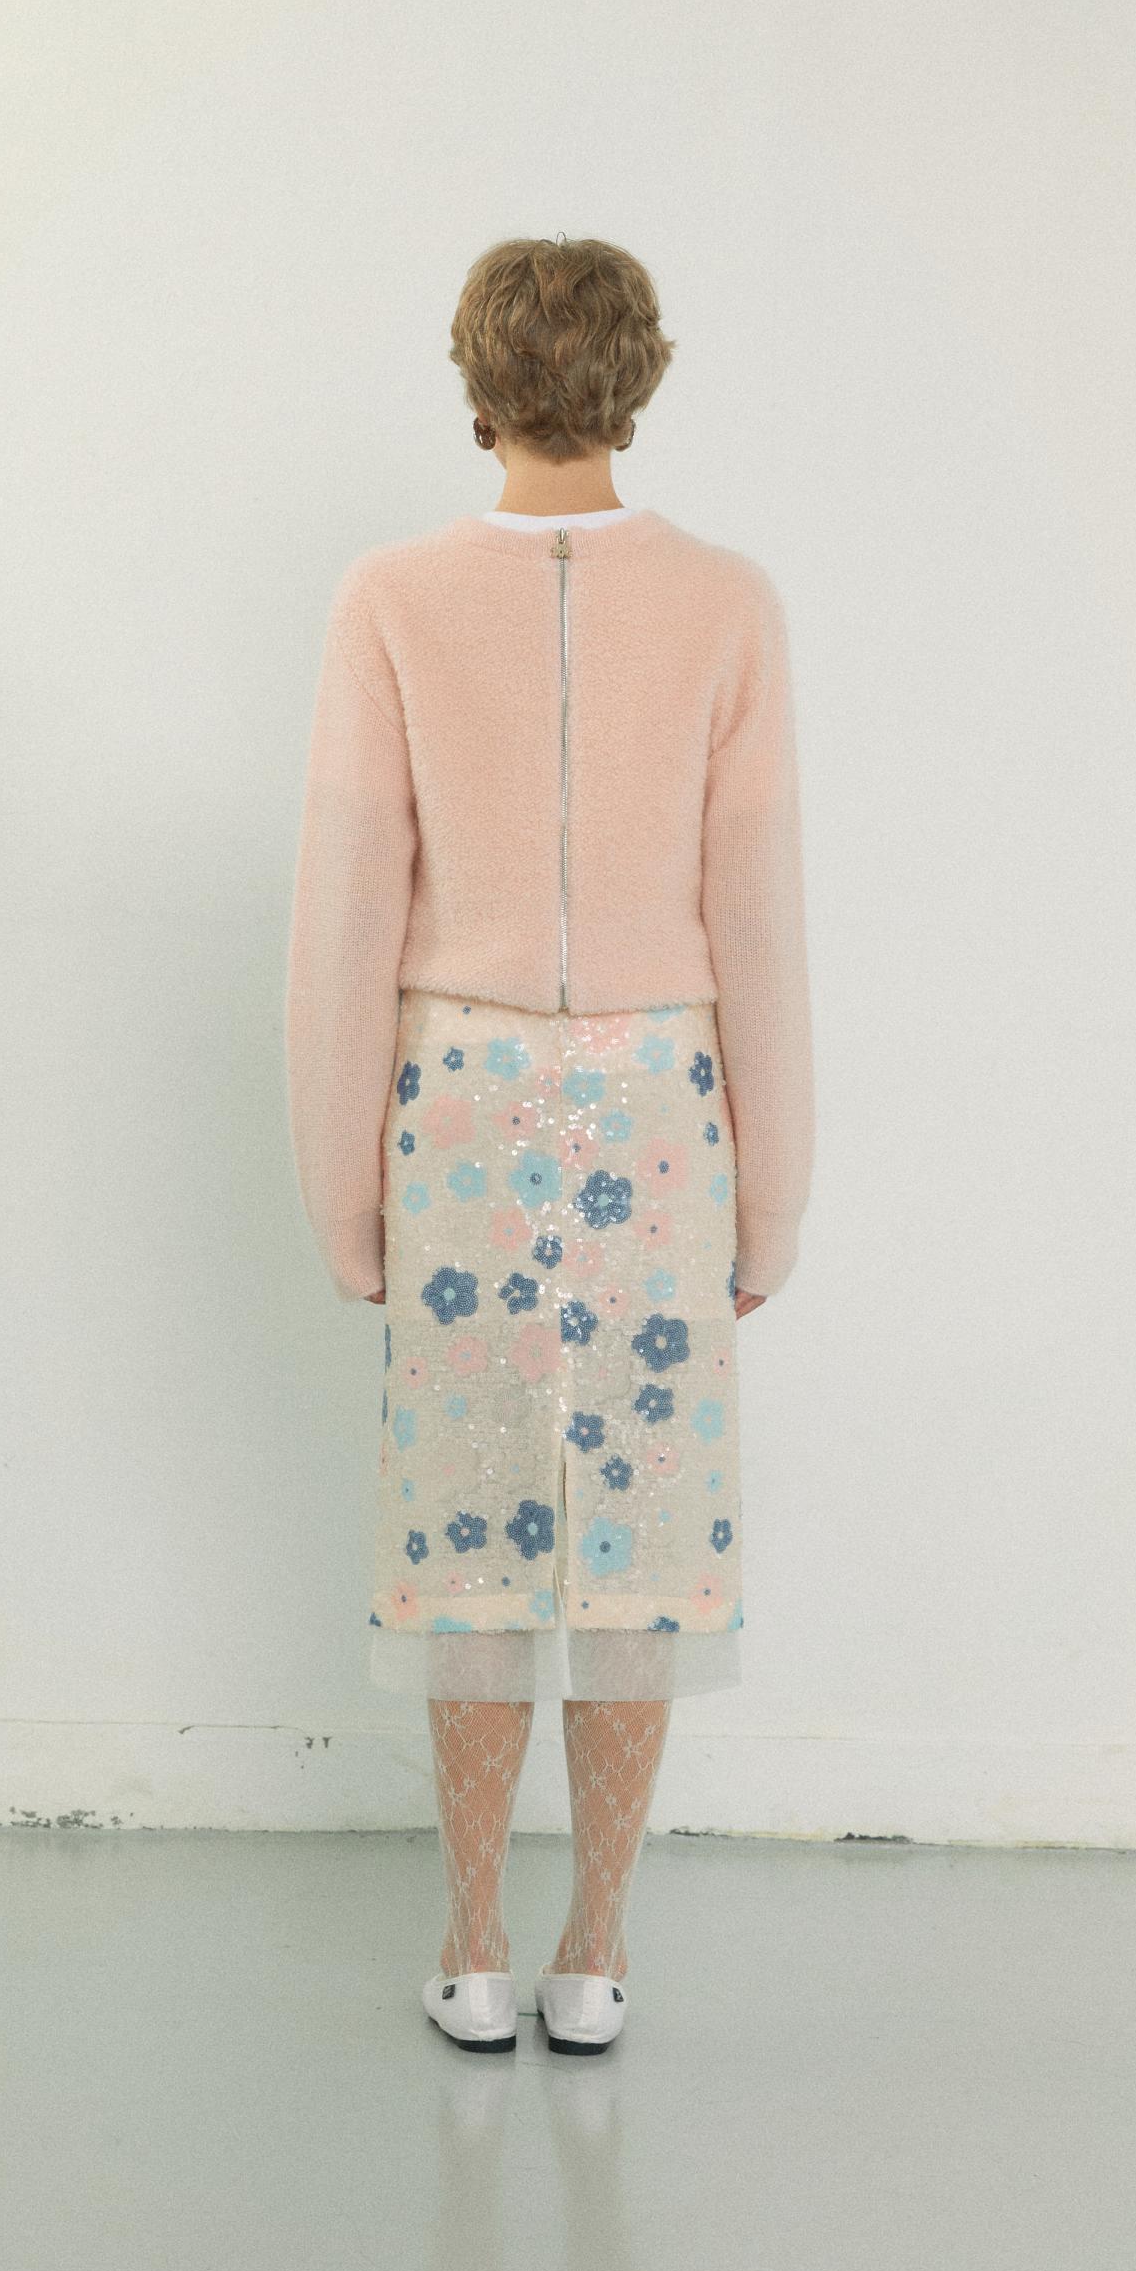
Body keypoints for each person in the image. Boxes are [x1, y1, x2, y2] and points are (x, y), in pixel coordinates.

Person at [285, 235, 814, 2053]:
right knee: (637, 1533)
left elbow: (349, 909)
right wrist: (775, 1194)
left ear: (475, 379)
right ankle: (595, 1948)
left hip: (462, 1104)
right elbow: (758, 915)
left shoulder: (393, 599)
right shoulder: (729, 603)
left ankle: (471, 1938)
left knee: (474, 1529)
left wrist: (341, 1192)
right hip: (664, 1108)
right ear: (641, 378)